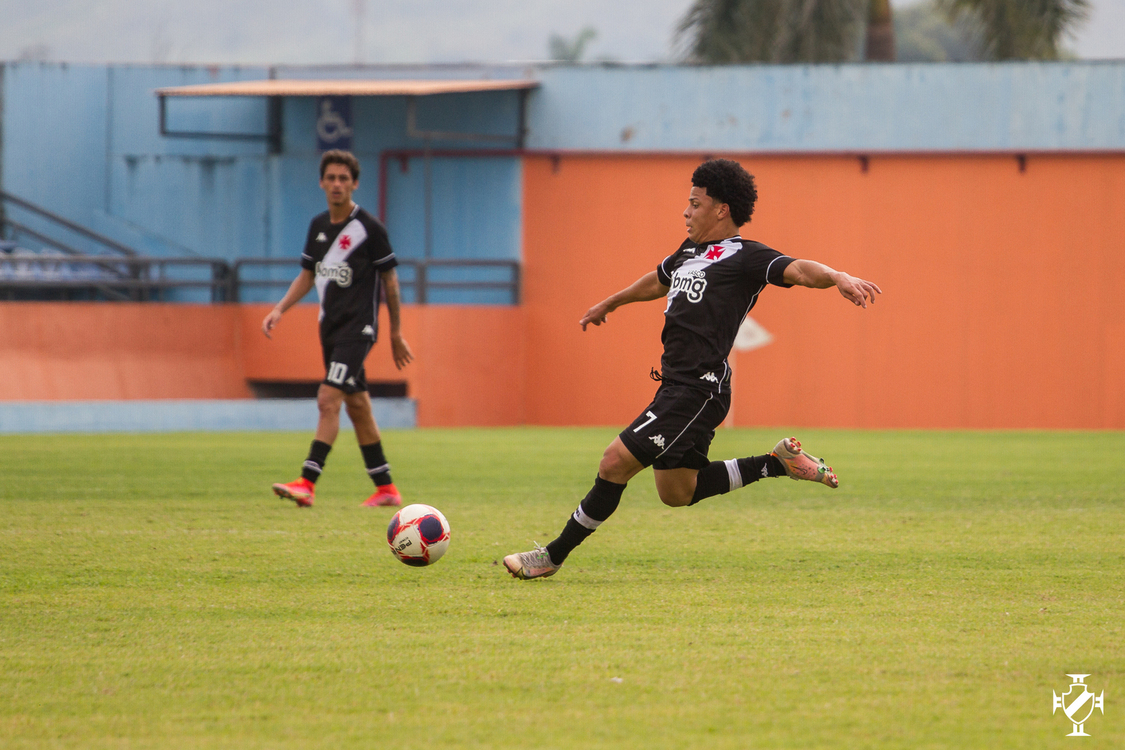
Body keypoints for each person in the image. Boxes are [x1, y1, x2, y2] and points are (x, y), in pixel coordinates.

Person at [503, 158, 881, 580]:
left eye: (695, 204)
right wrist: (611, 302)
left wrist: (837, 275)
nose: (686, 212)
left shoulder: (747, 256)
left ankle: (551, 556)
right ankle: (777, 463)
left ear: (721, 209)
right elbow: (656, 280)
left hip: (698, 391)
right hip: (676, 387)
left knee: (613, 463)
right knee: (677, 492)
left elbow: (800, 270)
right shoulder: (688, 252)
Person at [263, 150, 414, 508]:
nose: (336, 184)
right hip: (329, 329)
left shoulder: (370, 229)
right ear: (321, 182)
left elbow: (391, 281)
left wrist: (395, 333)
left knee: (328, 399)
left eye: (343, 178)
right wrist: (280, 309)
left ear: (354, 183)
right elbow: (307, 275)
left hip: (358, 329)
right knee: (357, 405)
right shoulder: (318, 226)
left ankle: (307, 481)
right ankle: (386, 489)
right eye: (331, 178)